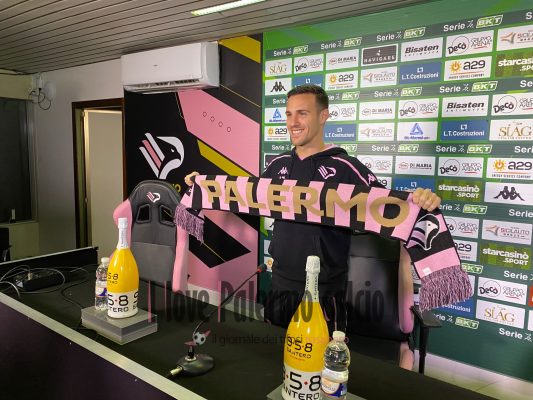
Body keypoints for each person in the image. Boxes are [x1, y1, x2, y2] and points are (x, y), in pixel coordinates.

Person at [185, 84, 441, 332]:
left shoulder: (346, 168)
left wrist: (421, 202)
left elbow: (389, 209)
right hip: (279, 285)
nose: (293, 122)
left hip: (325, 292)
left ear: (323, 116)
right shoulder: (277, 165)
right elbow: (244, 197)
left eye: (302, 113)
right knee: (274, 353)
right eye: (289, 114)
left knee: (321, 359)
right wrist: (201, 187)